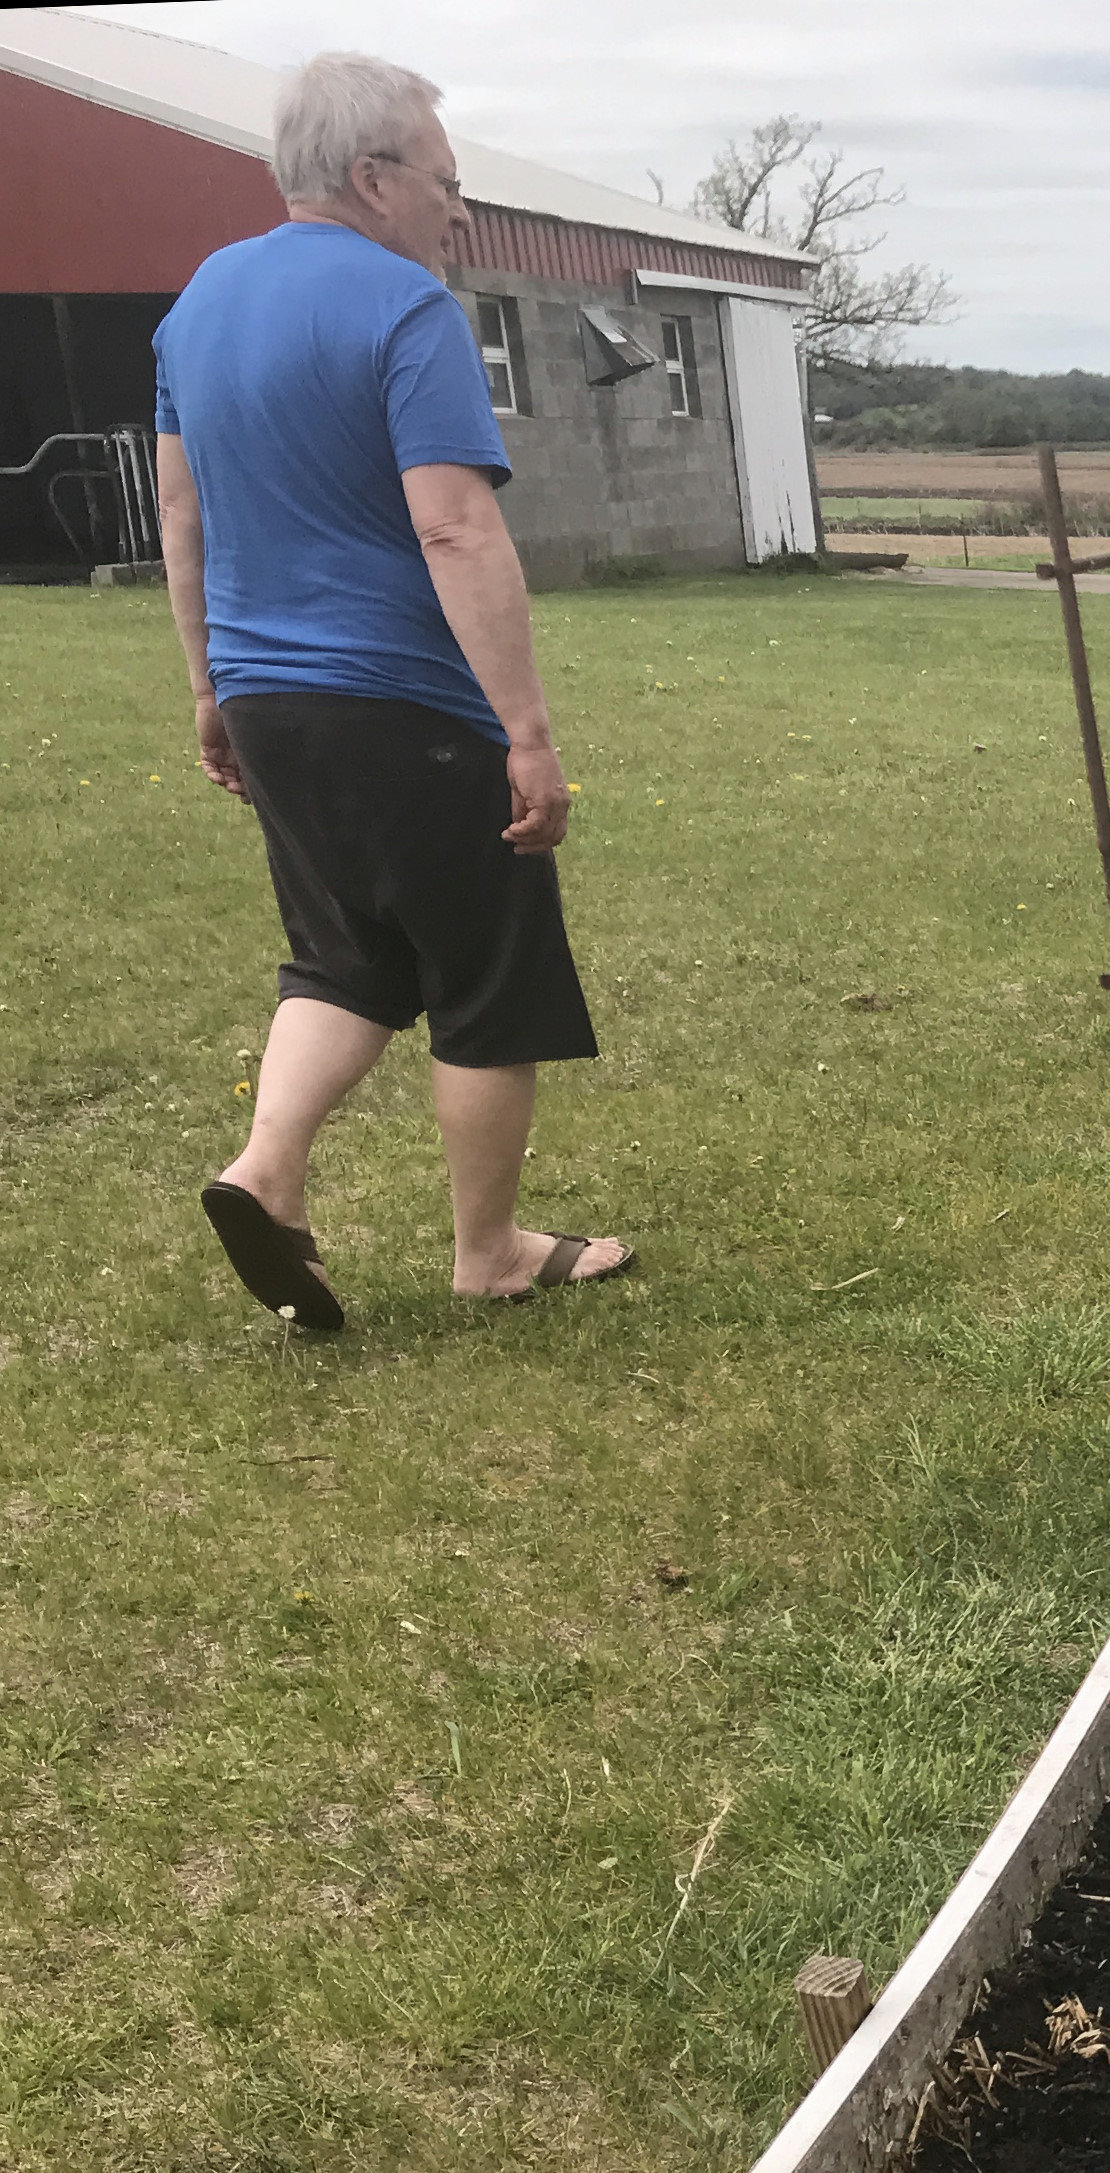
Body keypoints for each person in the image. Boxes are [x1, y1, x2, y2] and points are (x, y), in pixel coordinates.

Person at [157, 50, 631, 1332]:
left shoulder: (198, 302)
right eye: (446, 181)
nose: (459, 211)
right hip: (405, 700)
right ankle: (490, 1250)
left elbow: (182, 511)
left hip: (266, 697)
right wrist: (527, 739)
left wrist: (211, 684)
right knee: (486, 971)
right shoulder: (406, 309)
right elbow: (456, 531)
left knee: (343, 955)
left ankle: (265, 1170)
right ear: (372, 180)